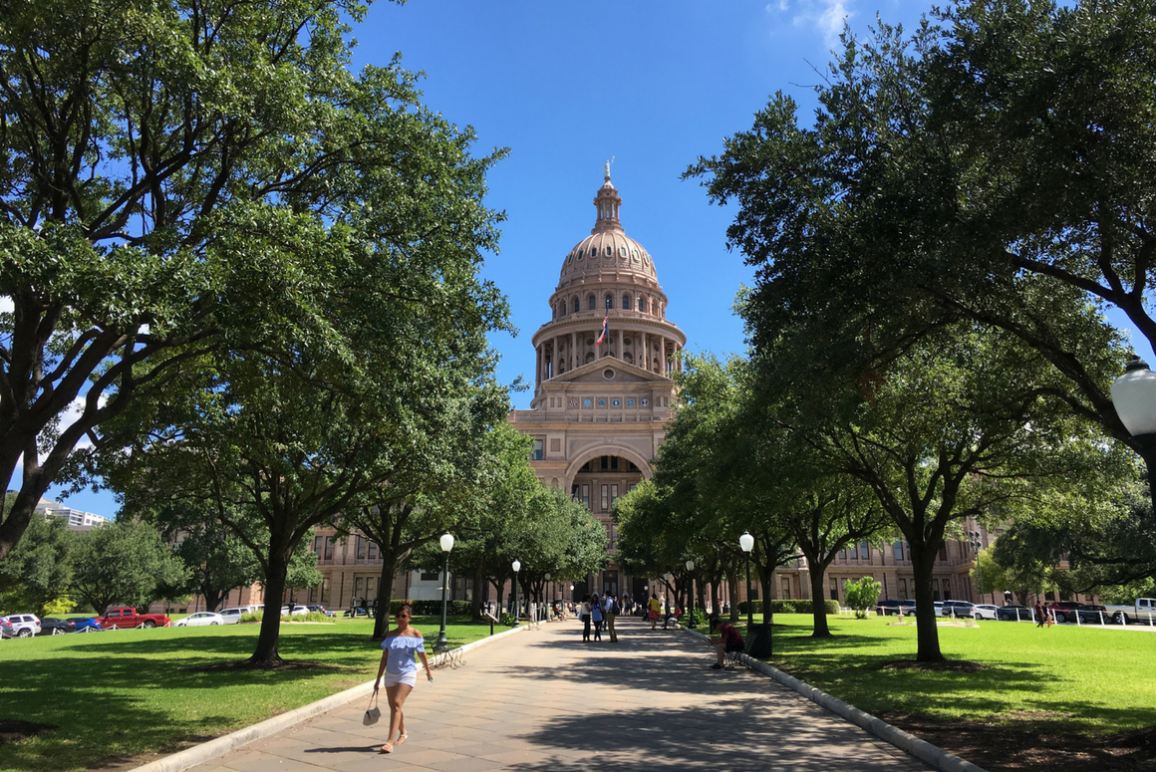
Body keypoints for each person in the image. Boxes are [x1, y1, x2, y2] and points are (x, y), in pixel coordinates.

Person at [373, 602, 433, 754]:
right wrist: (378, 679)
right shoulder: (390, 635)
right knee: (395, 706)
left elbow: (422, 654)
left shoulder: (415, 634)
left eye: (403, 616)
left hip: (407, 673)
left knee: (396, 703)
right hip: (390, 675)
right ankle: (403, 732)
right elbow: (384, 657)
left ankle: (389, 742)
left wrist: (428, 672)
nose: (400, 618)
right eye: (397, 616)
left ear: (409, 617)